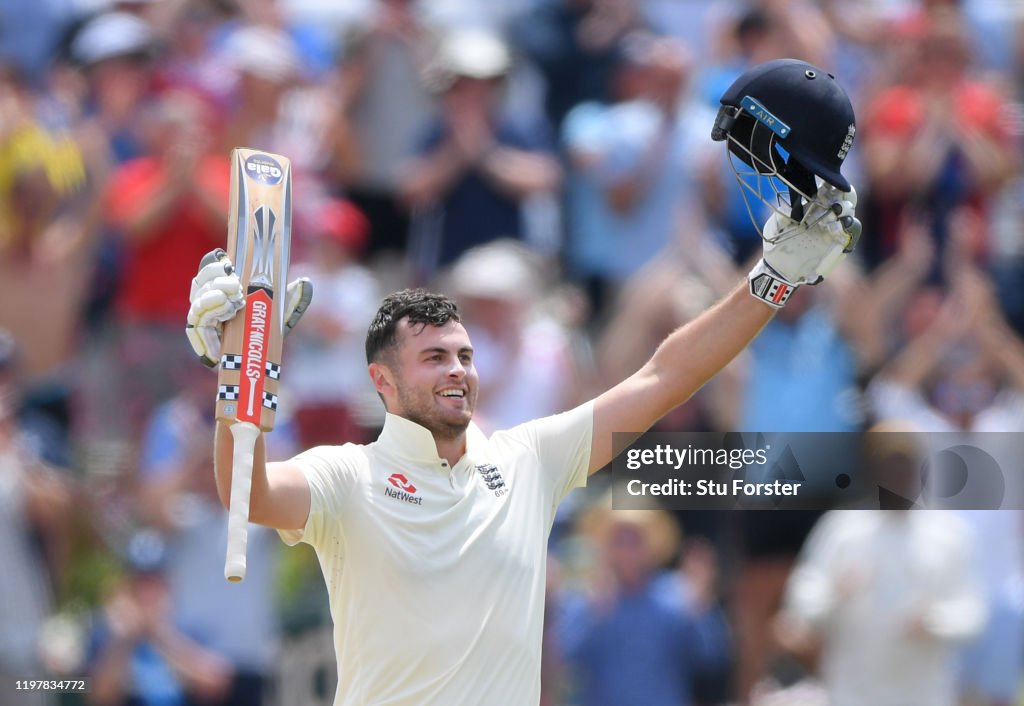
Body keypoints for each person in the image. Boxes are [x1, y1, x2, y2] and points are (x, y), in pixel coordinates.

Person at [185, 59, 862, 705]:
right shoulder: (348, 477)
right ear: (382, 384)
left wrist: (771, 282)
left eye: (463, 355)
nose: (456, 370)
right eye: (433, 358)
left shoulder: (527, 460)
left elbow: (666, 374)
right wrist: (235, 370)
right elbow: (246, 491)